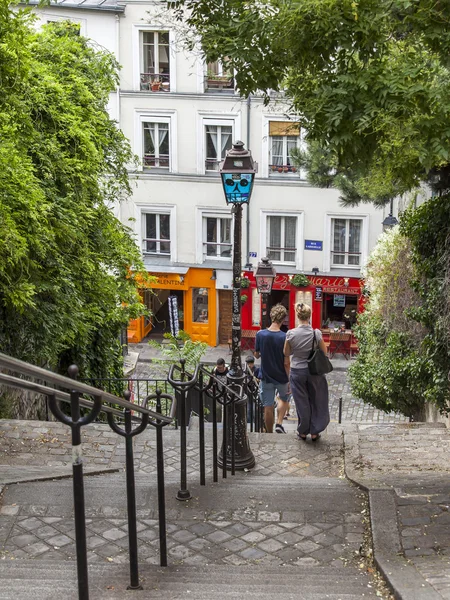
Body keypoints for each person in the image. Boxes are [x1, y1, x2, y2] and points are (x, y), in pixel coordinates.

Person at [284, 302, 330, 441]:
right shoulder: (316, 333)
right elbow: (324, 351)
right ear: (309, 316)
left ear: (297, 316)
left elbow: (286, 352)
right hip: (314, 371)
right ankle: (315, 432)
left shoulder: (291, 334)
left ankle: (303, 431)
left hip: (297, 371)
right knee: (317, 400)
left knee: (301, 402)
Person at [254, 304, 291, 433]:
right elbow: (287, 362)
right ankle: (279, 423)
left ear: (271, 316)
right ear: (283, 319)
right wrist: (289, 379)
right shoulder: (285, 337)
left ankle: (269, 434)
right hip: (281, 376)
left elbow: (257, 354)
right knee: (284, 399)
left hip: (266, 376)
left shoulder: (260, 334)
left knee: (267, 406)